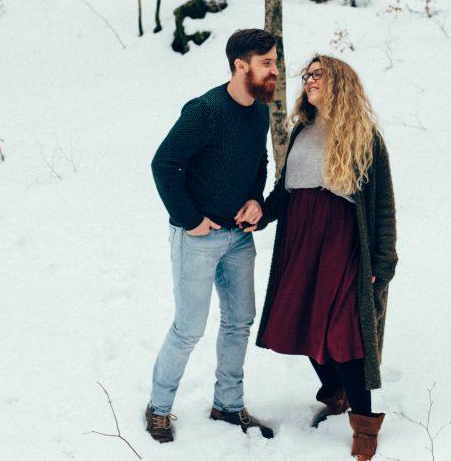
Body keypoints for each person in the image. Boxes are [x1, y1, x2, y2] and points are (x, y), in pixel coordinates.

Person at [256, 55, 398, 461]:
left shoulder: (364, 136)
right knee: (301, 321)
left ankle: (365, 424)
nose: (308, 80)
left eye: (316, 74)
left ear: (338, 80)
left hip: (343, 244)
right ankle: (335, 393)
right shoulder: (301, 131)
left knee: (344, 332)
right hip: (300, 243)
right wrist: (261, 214)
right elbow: (285, 192)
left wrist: (383, 262)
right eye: (306, 76)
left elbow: (383, 206)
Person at [146, 29, 278, 443]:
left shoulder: (259, 111)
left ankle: (228, 405)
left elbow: (261, 162)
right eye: (267, 62)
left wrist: (256, 199)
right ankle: (159, 408)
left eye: (275, 61)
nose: (275, 70)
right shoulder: (205, 111)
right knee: (188, 328)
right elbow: (164, 164)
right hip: (198, 237)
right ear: (241, 66)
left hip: (239, 238)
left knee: (239, 322)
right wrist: (190, 220)